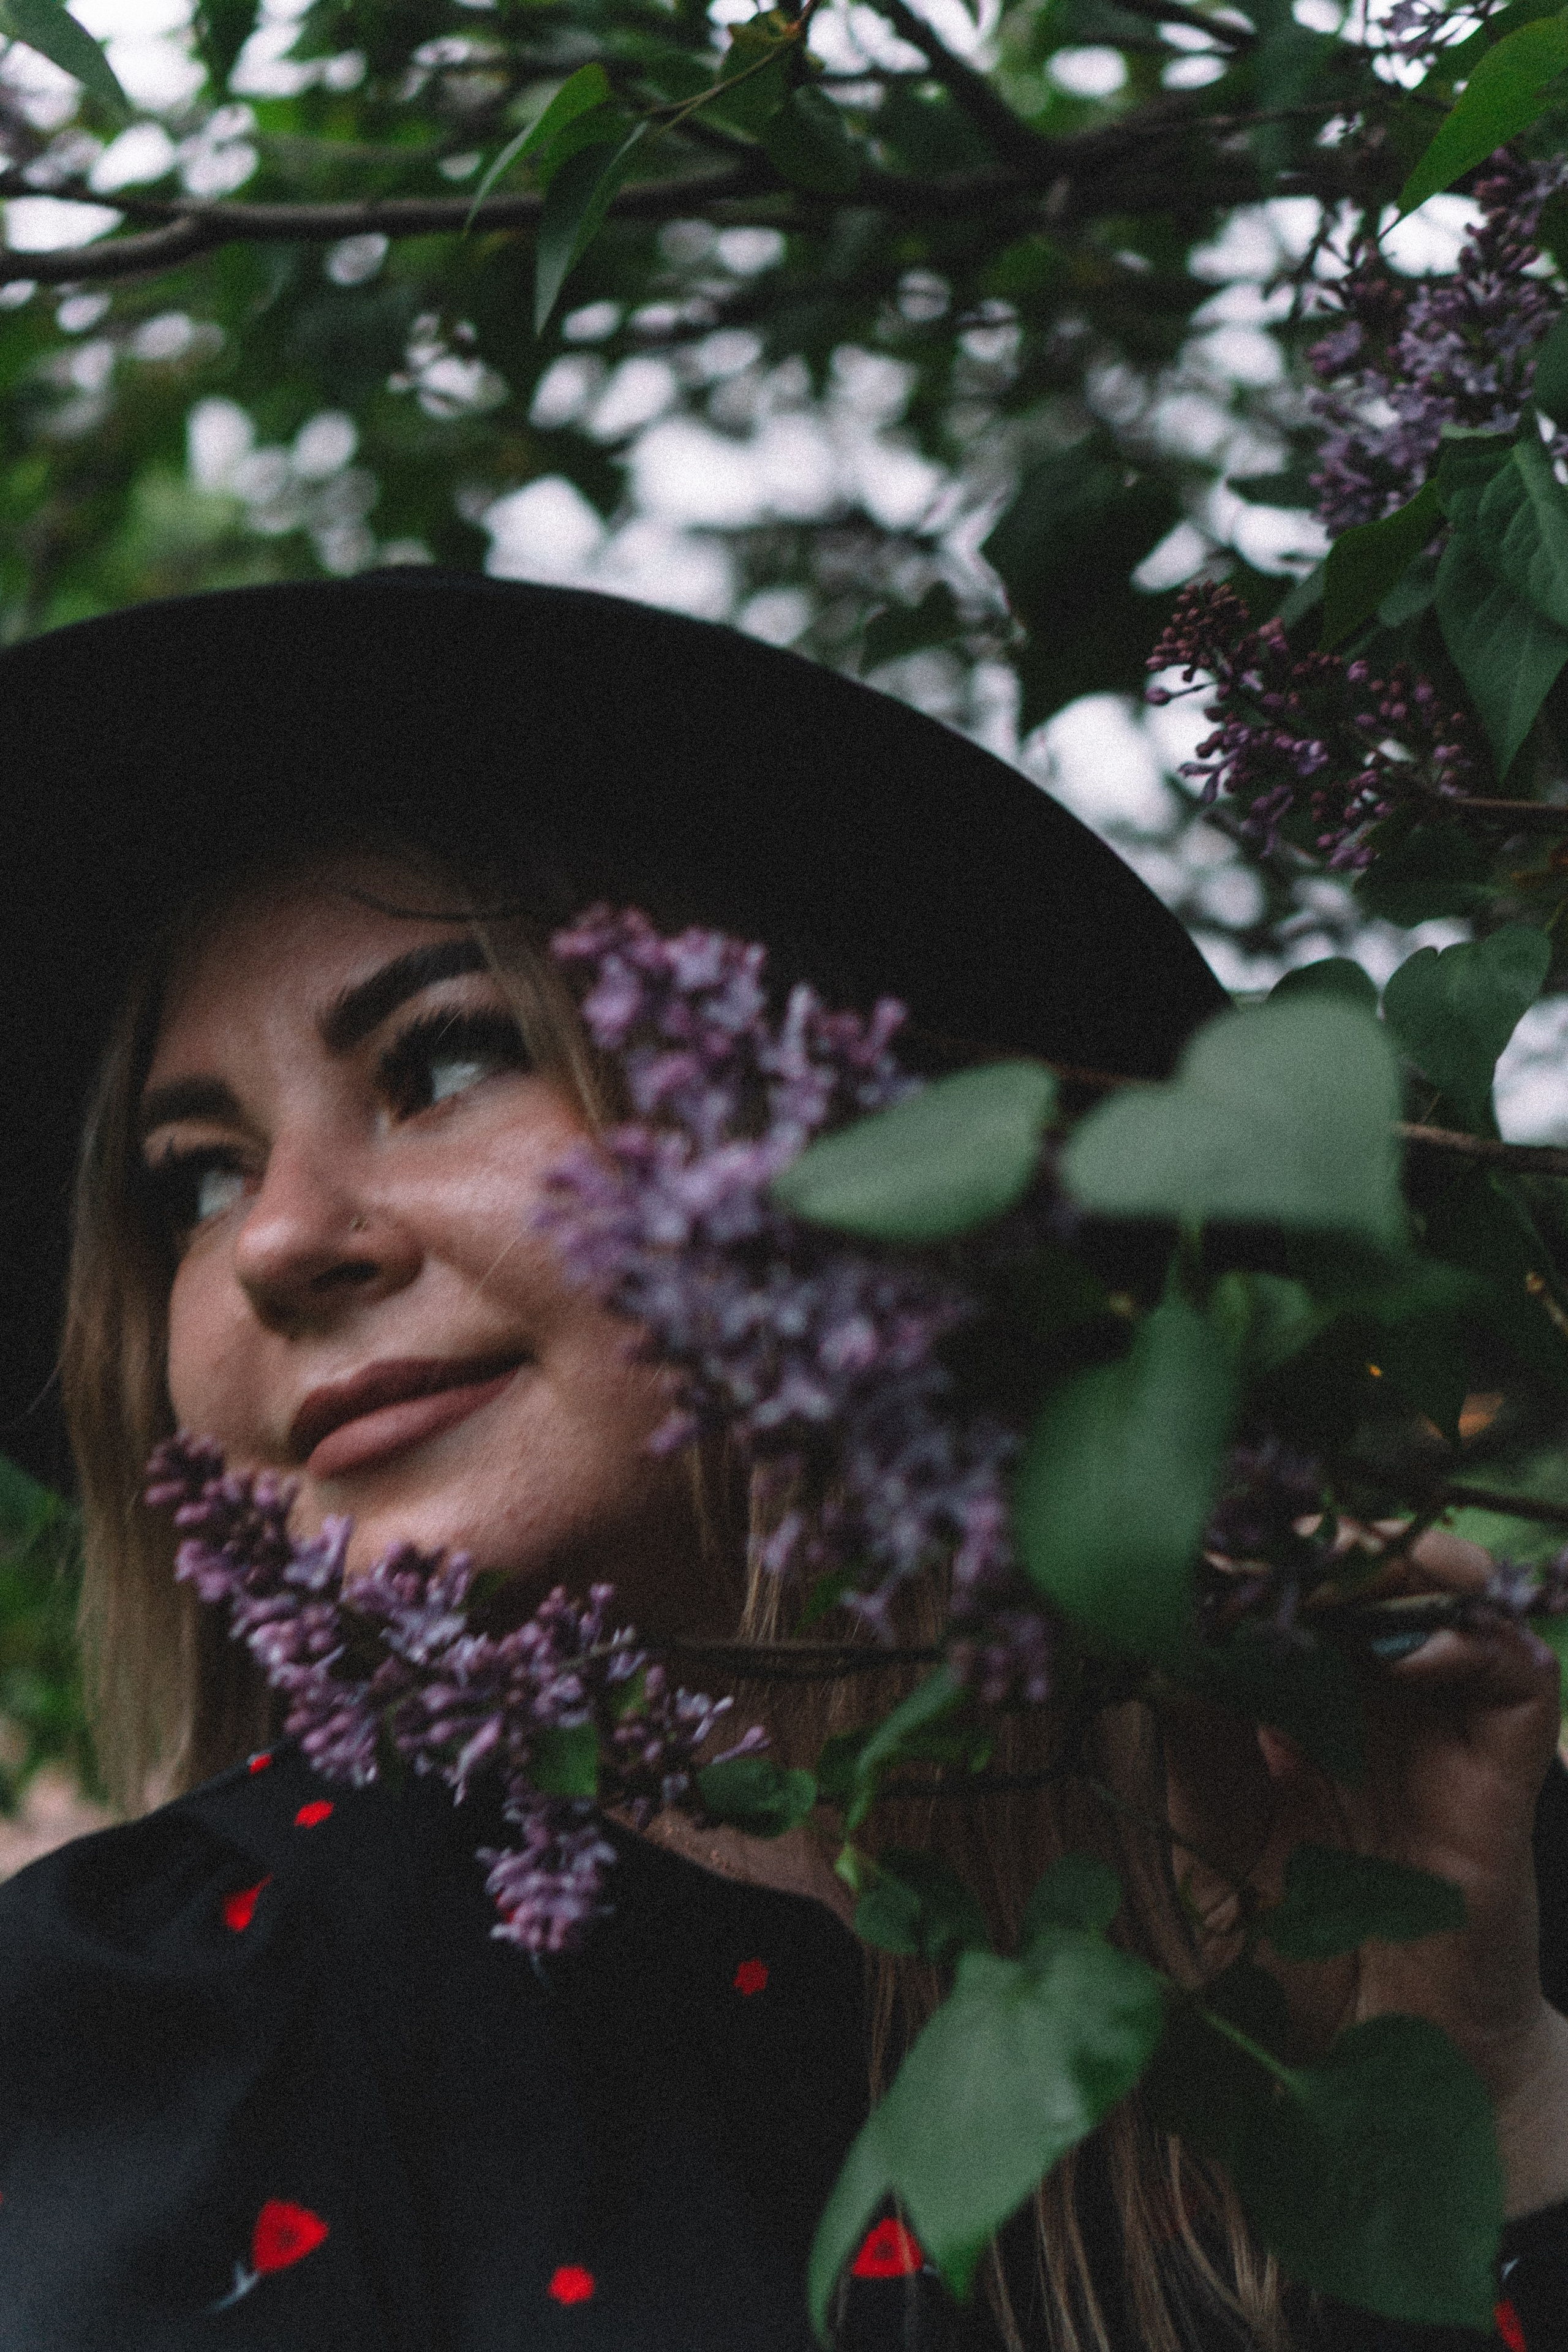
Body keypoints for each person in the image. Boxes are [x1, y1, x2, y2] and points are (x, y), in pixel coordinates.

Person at [0, 571, 1563, 2352]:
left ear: (855, 1150)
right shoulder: (141, 2048)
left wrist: (1481, 2089)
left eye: (446, 1058)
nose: (273, 1242)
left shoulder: (1465, 1858)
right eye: (190, 1179)